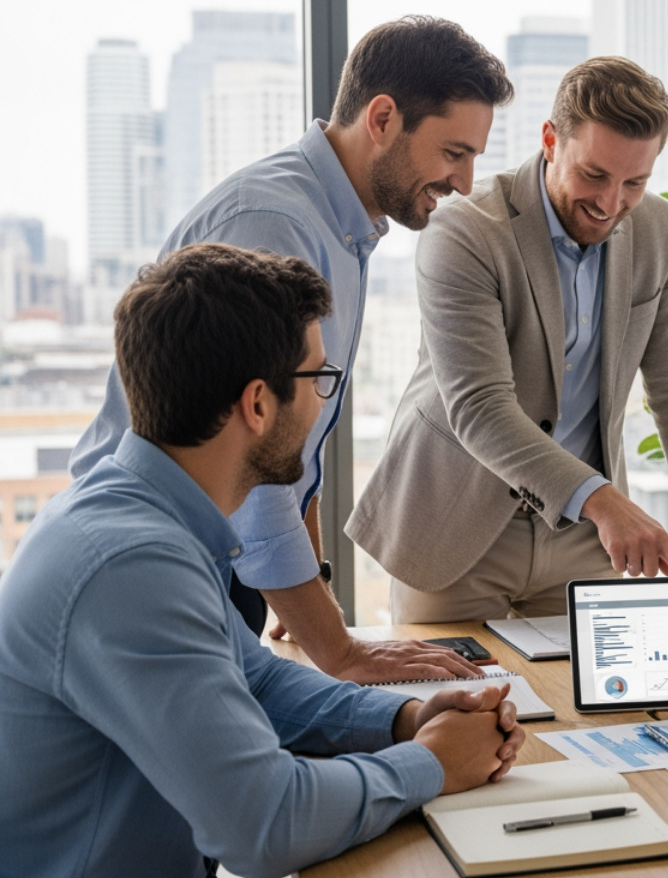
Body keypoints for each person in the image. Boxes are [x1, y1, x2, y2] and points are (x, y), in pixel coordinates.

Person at [0, 244, 527, 878]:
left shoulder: (144, 519)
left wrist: (408, 718)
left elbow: (259, 681)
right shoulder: (129, 564)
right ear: (257, 403)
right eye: (318, 380)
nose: (321, 405)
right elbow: (263, 826)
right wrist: (433, 764)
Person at [69, 16, 514, 683]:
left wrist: (308, 597)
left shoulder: (343, 228)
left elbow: (291, 449)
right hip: (157, 562)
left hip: (213, 561)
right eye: (454, 153)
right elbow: (249, 438)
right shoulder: (275, 222)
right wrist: (339, 648)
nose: (465, 181)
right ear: (384, 118)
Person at [349, 55, 668, 623]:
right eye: (594, 175)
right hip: (459, 524)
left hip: (587, 538)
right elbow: (480, 407)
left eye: (635, 182)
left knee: (605, 708)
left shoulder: (657, 229)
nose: (611, 205)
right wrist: (606, 503)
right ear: (551, 140)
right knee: (456, 708)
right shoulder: (464, 230)